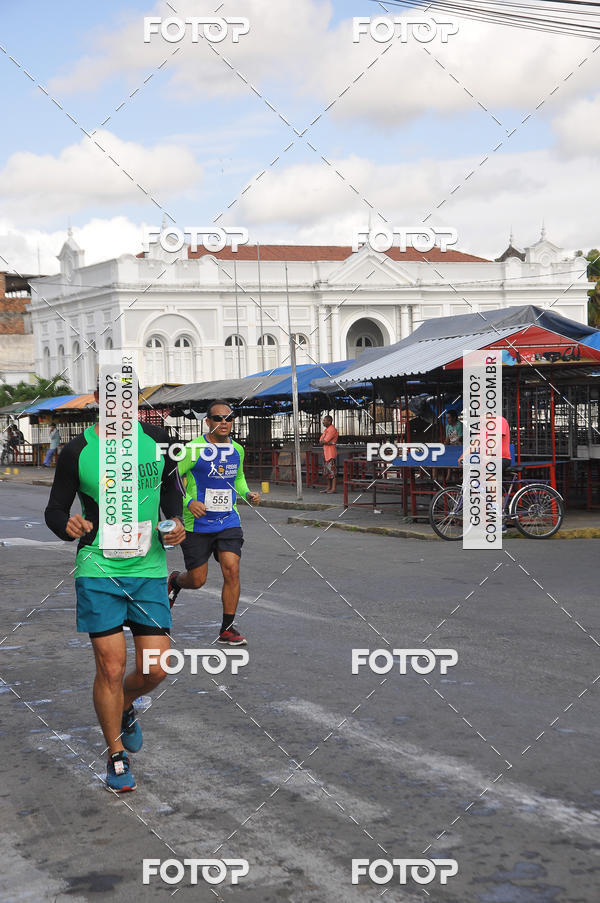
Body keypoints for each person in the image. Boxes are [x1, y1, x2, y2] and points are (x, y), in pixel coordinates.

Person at [44, 389, 185, 793]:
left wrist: (176, 524)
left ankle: (124, 705)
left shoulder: (160, 441)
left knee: (157, 667)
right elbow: (55, 508)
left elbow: (172, 497)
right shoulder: (76, 451)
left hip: (148, 568)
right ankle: (116, 755)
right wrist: (64, 525)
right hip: (97, 570)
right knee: (109, 666)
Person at [167, 400, 260, 645]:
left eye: (228, 418)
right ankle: (175, 581)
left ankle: (227, 628)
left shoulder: (237, 450)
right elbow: (173, 478)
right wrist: (188, 502)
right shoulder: (194, 449)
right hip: (196, 524)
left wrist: (247, 493)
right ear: (207, 422)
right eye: (218, 418)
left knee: (232, 568)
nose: (224, 423)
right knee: (197, 580)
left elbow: (237, 478)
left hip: (228, 520)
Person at [319, 414, 339, 494]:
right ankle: (328, 487)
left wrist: (326, 441)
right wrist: (326, 441)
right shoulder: (326, 430)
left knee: (332, 471)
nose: (323, 422)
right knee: (327, 472)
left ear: (329, 421)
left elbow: (324, 441)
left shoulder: (332, 430)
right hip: (326, 452)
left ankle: (333, 488)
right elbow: (320, 441)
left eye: (324, 420)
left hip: (330, 453)